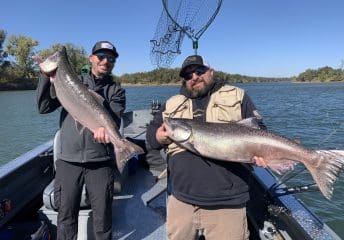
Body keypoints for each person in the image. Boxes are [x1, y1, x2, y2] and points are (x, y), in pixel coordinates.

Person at [146, 55, 267, 240]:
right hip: (181, 198)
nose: (194, 77)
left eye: (199, 71)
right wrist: (159, 136)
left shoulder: (238, 95)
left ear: (211, 72)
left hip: (227, 202)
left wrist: (261, 154)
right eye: (188, 75)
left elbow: (260, 130)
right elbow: (151, 138)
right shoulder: (171, 104)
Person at [36, 41, 125, 240]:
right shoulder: (70, 81)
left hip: (101, 162)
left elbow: (115, 120)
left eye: (111, 58)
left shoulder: (116, 90)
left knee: (103, 219)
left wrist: (108, 134)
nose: (106, 61)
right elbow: (43, 107)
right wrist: (45, 77)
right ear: (91, 58)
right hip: (68, 161)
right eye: (101, 56)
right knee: (66, 218)